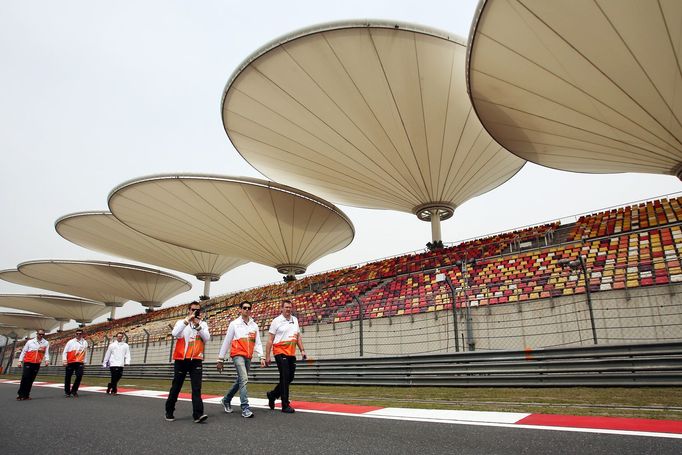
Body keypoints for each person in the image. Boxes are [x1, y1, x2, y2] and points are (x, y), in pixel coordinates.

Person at [216, 300, 265, 418]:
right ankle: (245, 408)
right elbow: (227, 341)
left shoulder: (254, 325)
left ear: (251, 310)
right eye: (244, 308)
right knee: (244, 379)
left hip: (248, 356)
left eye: (249, 308)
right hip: (237, 354)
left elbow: (257, 342)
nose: (247, 310)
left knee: (241, 380)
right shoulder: (234, 324)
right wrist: (220, 359)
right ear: (240, 309)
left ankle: (226, 399)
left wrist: (261, 356)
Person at [165, 301, 210, 423]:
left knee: (196, 388)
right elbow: (175, 333)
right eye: (193, 310)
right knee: (176, 386)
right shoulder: (181, 322)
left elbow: (207, 338)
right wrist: (187, 321)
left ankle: (198, 415)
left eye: (198, 310)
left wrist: (197, 325)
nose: (195, 312)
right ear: (189, 310)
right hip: (181, 359)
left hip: (196, 360)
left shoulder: (203, 324)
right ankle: (169, 410)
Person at [264, 300, 307, 413]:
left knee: (290, 377)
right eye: (286, 307)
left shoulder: (295, 320)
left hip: (291, 353)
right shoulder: (276, 321)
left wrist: (302, 350)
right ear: (281, 309)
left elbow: (298, 337)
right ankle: (285, 404)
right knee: (284, 376)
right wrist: (267, 356)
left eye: (290, 307)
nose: (288, 309)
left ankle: (272, 395)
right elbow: (270, 340)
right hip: (280, 352)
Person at [16, 329, 50, 400]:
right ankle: (20, 395)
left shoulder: (46, 343)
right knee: (25, 378)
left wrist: (47, 360)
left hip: (37, 363)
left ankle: (26, 395)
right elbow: (24, 351)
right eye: (39, 334)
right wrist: (20, 361)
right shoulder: (30, 342)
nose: (41, 335)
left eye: (42, 334)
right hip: (28, 362)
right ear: (37, 334)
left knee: (31, 379)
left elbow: (46, 353)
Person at [63, 329, 88, 398]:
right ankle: (67, 392)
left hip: (80, 362)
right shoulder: (70, 342)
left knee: (79, 376)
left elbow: (85, 353)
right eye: (77, 333)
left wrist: (85, 362)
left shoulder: (85, 342)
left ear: (82, 334)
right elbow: (65, 352)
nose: (78, 335)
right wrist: (64, 360)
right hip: (70, 362)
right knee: (68, 377)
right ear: (75, 334)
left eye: (80, 334)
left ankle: (74, 391)